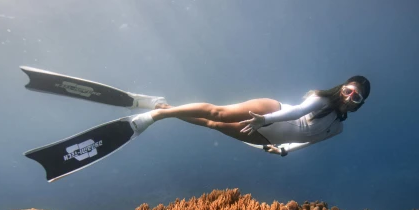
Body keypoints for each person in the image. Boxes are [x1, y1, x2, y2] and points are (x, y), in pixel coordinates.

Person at [129, 75, 371, 156]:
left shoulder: (338, 128)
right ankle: (157, 116)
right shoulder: (323, 99)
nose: (349, 96)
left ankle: (165, 108)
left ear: (359, 104)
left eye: (356, 97)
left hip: (267, 137)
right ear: (341, 88)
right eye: (348, 90)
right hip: (270, 112)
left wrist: (284, 150)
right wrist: (263, 119)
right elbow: (297, 112)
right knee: (218, 113)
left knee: (213, 124)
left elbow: (309, 141)